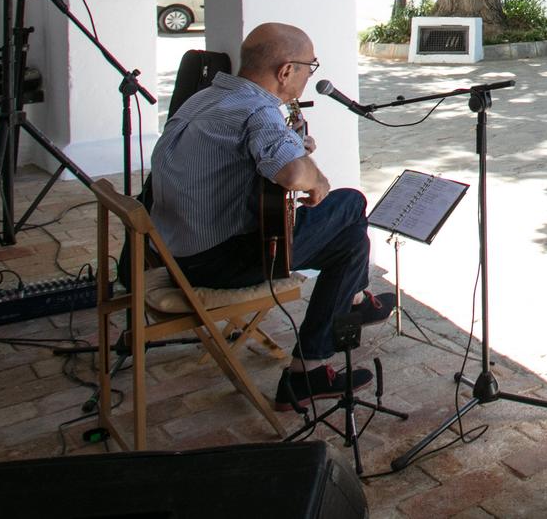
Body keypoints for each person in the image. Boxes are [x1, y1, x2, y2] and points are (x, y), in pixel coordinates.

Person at [149, 23, 397, 408]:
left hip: (174, 249)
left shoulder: (204, 98)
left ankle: (321, 351)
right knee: (349, 204)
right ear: (285, 71)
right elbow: (295, 175)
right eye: (308, 67)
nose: (307, 76)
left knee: (349, 239)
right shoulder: (256, 110)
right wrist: (318, 177)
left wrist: (291, 146)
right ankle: (331, 331)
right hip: (218, 263)